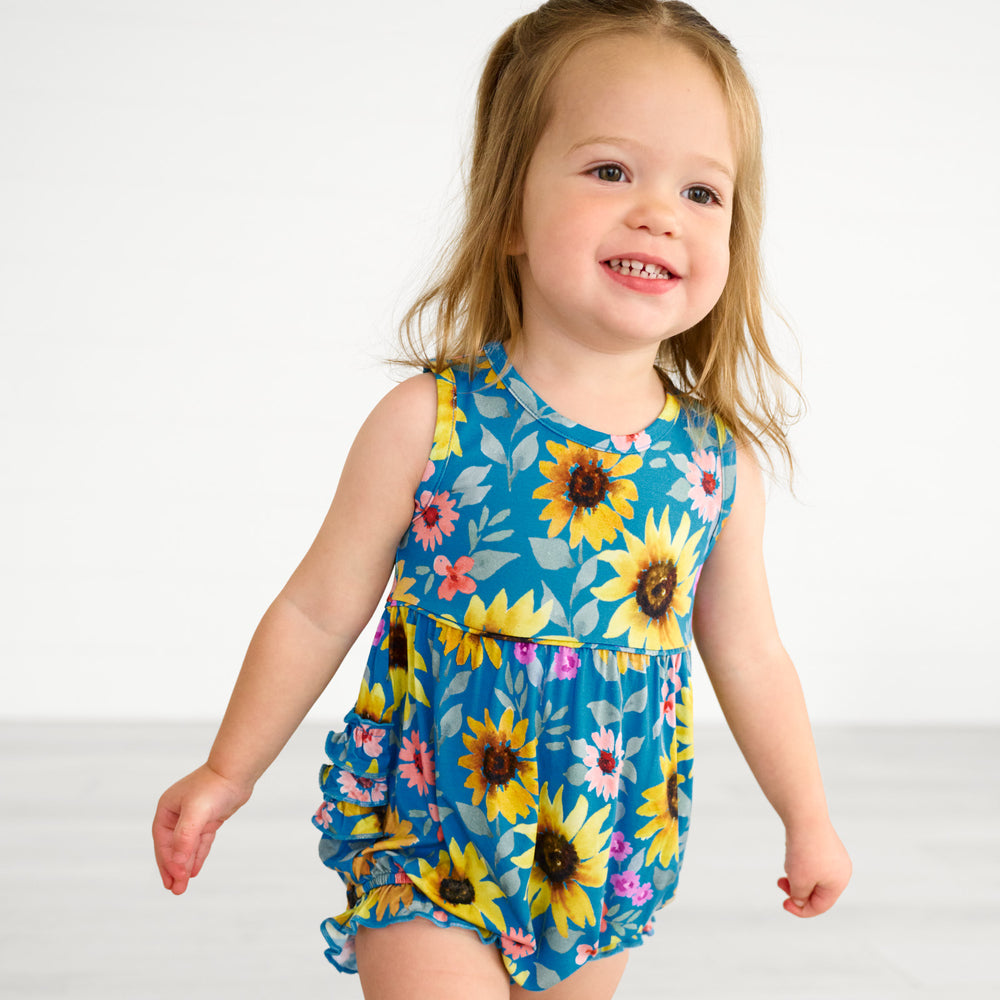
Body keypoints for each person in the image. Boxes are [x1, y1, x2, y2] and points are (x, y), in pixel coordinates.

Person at [152, 1, 852, 996]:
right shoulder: (428, 420)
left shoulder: (710, 462)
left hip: (604, 846)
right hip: (430, 819)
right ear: (508, 211)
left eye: (702, 191)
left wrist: (808, 815)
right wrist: (227, 770)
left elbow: (748, 651)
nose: (659, 211)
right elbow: (316, 607)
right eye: (610, 170)